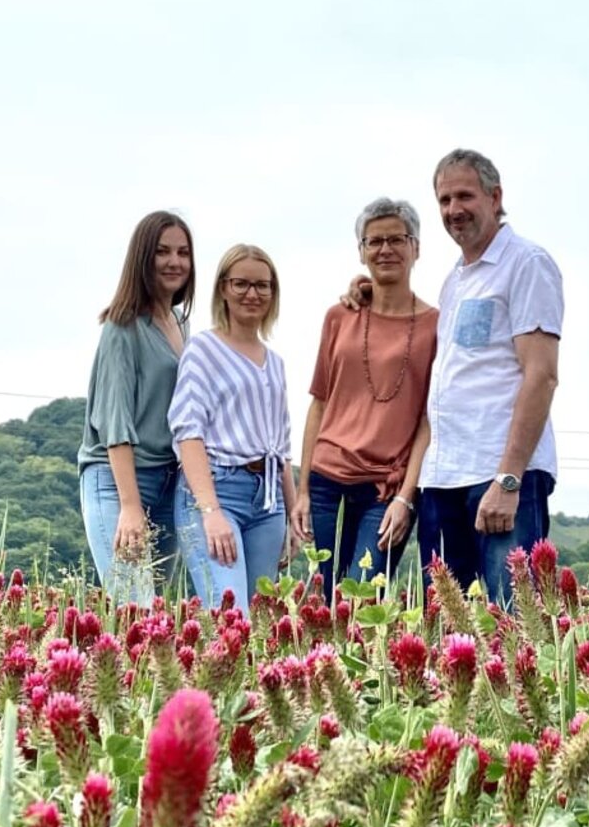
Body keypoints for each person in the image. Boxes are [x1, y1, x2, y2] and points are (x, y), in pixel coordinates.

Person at [417, 149, 564, 604]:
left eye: (465, 196)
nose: (453, 210)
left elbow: (540, 375)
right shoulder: (454, 279)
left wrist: (508, 479)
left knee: (515, 620)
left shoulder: (527, 263)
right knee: (443, 629)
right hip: (444, 475)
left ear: (495, 196)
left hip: (498, 474)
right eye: (444, 200)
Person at [291, 198, 438, 598]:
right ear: (361, 251)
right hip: (324, 481)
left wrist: (407, 498)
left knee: (361, 599)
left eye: (396, 239)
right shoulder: (339, 316)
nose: (385, 249)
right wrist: (301, 490)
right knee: (316, 600)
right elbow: (319, 403)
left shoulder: (435, 325)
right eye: (374, 241)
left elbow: (429, 420)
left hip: (384, 487)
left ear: (416, 248)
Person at [169, 244, 294, 611]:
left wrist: (290, 514)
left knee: (262, 622)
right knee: (229, 616)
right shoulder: (203, 350)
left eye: (262, 286)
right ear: (223, 287)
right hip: (218, 490)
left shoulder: (275, 362)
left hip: (267, 500)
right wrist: (210, 512)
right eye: (241, 283)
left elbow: (281, 446)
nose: (252, 294)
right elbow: (188, 432)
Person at [78, 210, 192, 606]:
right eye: (162, 252)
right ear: (143, 258)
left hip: (168, 484)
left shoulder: (180, 322)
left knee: (157, 611)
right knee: (133, 607)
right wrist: (129, 506)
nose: (174, 261)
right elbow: (114, 424)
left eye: (183, 252)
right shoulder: (122, 326)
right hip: (118, 481)